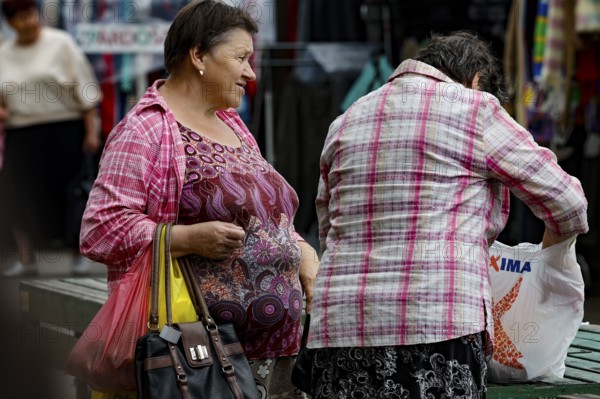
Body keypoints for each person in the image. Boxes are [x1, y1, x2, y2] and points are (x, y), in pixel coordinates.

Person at [308, 31, 588, 398]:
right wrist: (550, 251)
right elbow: (567, 200)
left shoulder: (345, 122)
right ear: (476, 81)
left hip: (339, 331)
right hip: (436, 328)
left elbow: (329, 229)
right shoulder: (474, 109)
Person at [80, 1, 319, 397]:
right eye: (241, 57)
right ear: (198, 55)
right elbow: (100, 229)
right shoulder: (145, 130)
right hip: (204, 362)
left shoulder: (233, 124)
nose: (251, 72)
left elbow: (265, 217)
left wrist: (300, 249)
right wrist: (186, 239)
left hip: (277, 357)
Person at [0, 0, 102, 277]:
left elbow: (85, 90)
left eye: (32, 14)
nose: (29, 21)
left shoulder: (61, 43)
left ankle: (78, 254)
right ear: (9, 23)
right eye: (21, 17)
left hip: (64, 130)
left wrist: (92, 132)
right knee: (18, 195)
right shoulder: (4, 53)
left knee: (70, 195)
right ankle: (27, 258)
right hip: (21, 133)